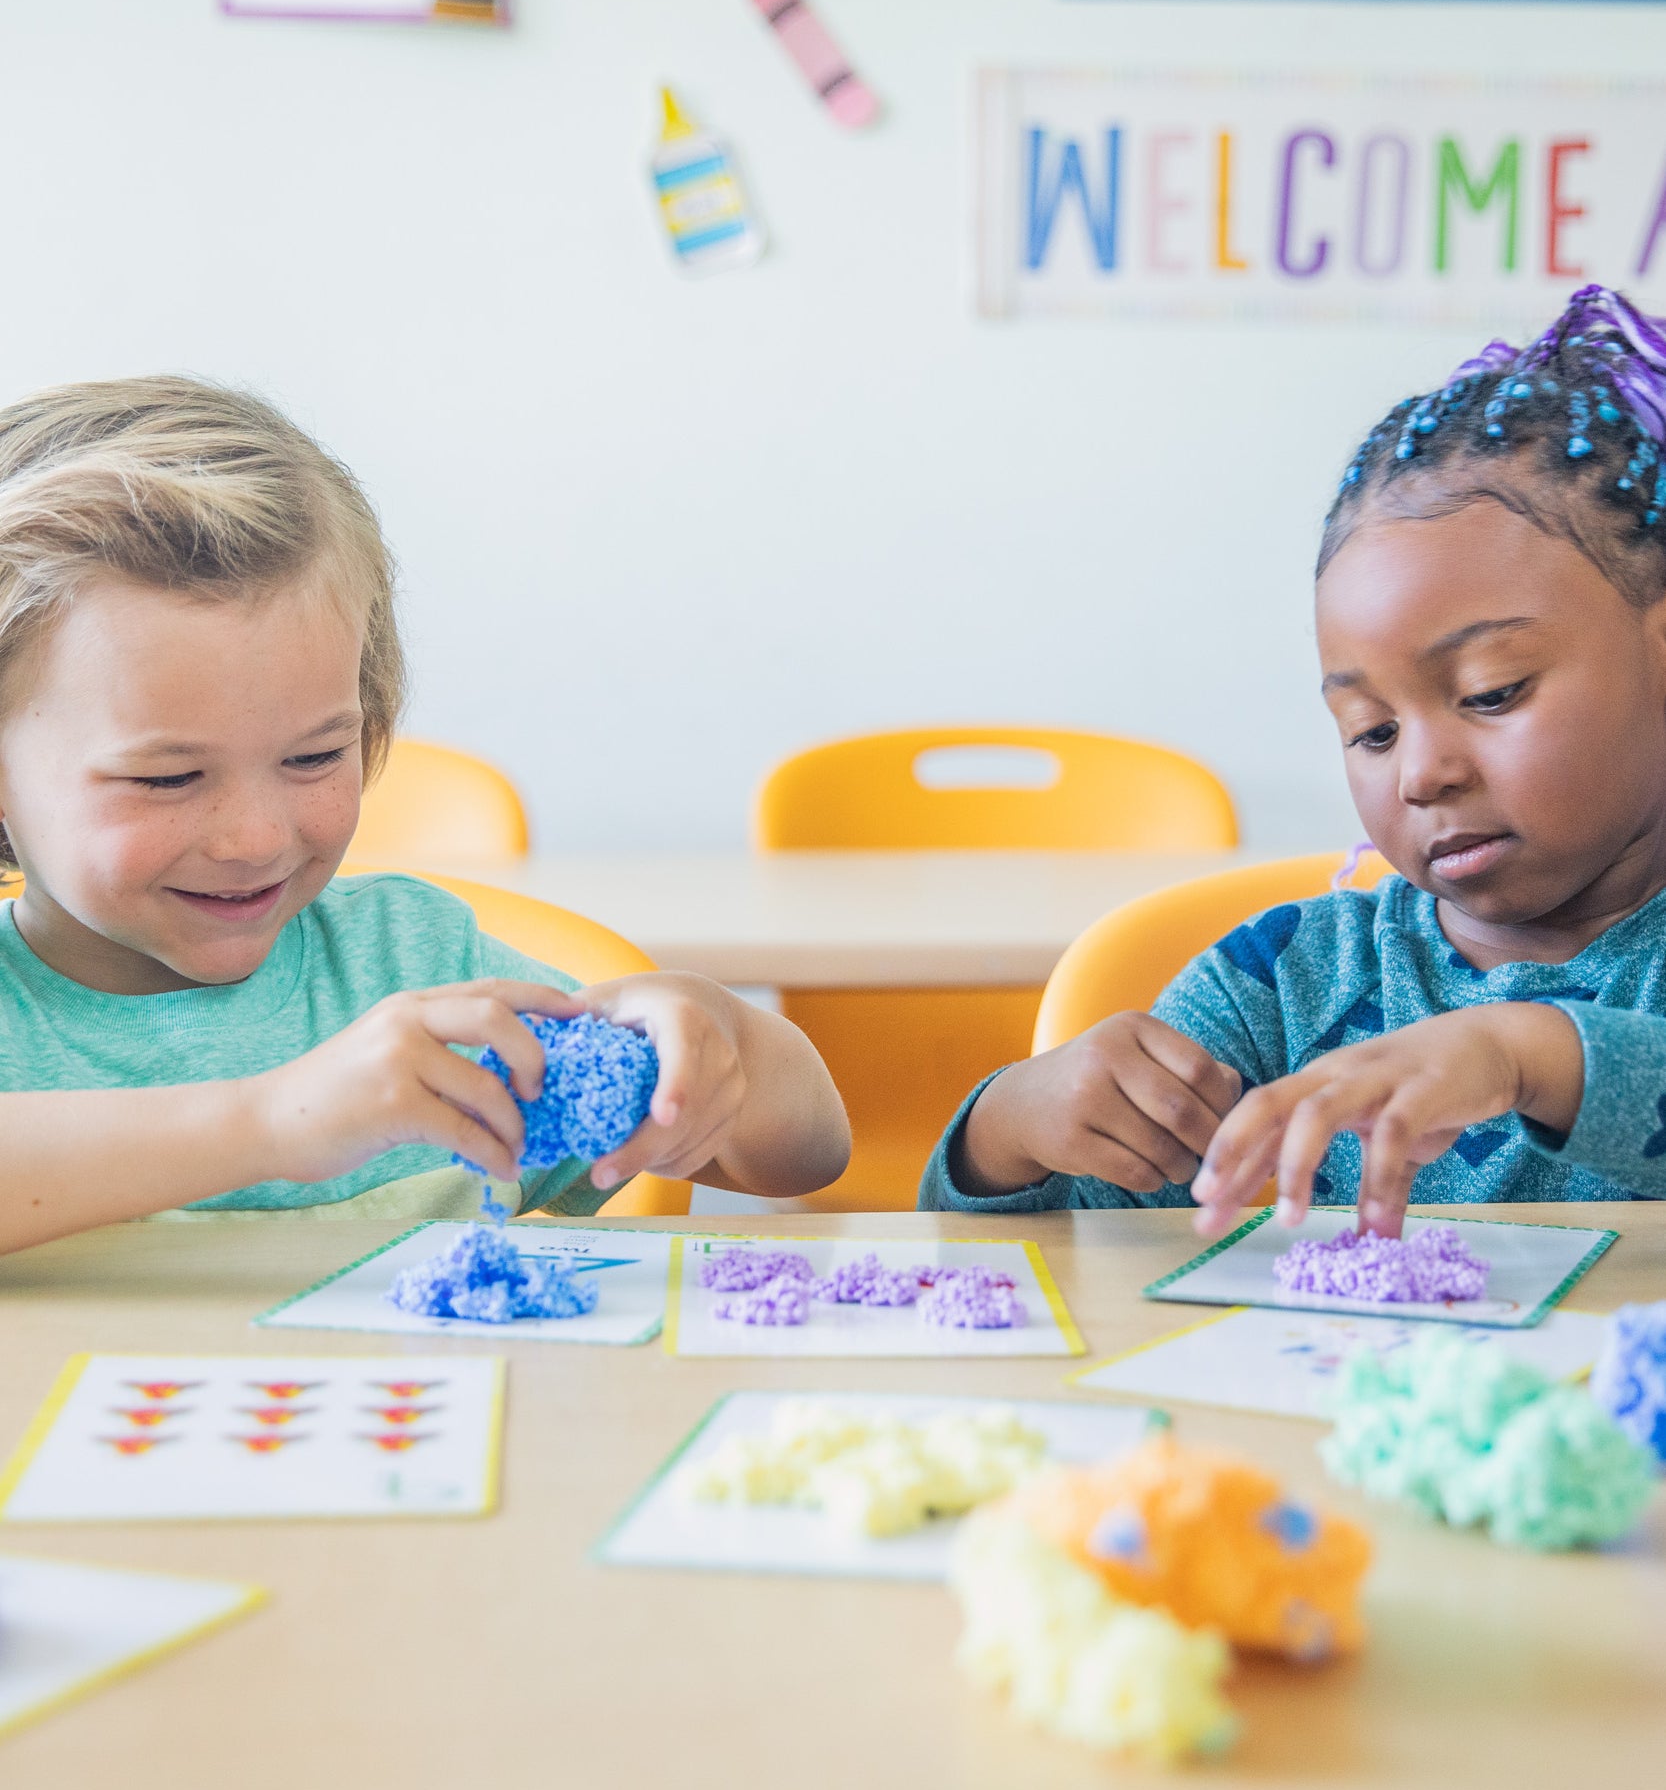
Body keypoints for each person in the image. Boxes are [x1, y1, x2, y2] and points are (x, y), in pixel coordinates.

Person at [0, 377, 848, 1254]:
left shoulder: (413, 970)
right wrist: (274, 1121)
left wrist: (719, 1033)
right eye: (169, 777)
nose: (256, 838)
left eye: (314, 757)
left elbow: (807, 1156)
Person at [922, 284, 1666, 1239]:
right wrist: (1010, 1131)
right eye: (1371, 730)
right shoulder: (1281, 988)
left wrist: (1529, 1053)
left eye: (1490, 692)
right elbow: (1031, 1260)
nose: (1421, 774)